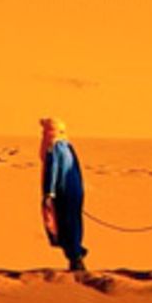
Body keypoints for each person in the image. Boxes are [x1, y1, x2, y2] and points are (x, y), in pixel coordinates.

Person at [40, 116, 88, 271]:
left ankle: (75, 258)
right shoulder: (67, 146)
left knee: (65, 225)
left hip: (63, 192)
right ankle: (76, 255)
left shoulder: (54, 147)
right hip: (75, 192)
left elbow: (52, 170)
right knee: (74, 223)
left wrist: (49, 193)